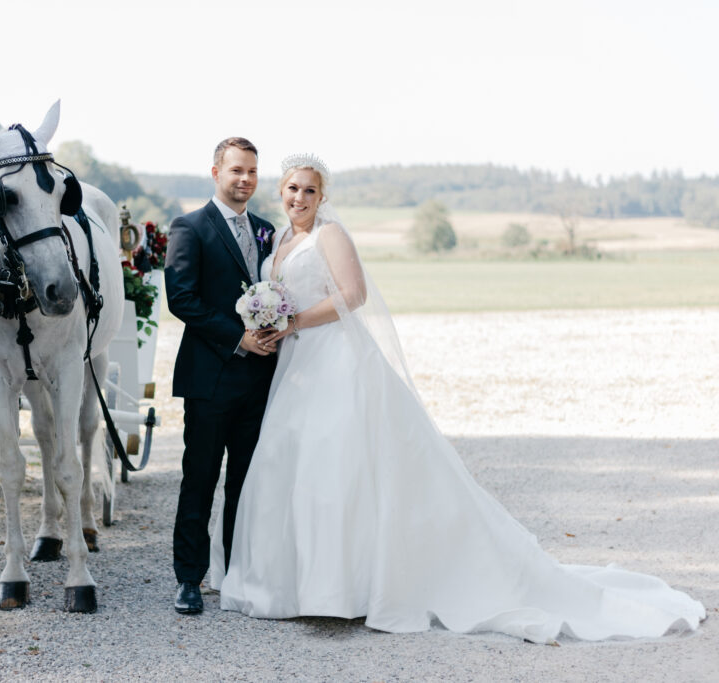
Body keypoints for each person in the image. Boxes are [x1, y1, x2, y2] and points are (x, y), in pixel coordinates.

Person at [214, 153, 705, 643]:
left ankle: (347, 589)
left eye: (310, 191)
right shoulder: (280, 238)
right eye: (293, 189)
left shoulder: (330, 235)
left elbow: (353, 295)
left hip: (335, 361)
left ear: (323, 197)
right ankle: (302, 585)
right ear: (281, 190)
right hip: (297, 366)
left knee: (338, 463)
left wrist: (292, 320)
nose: (300, 198)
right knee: (296, 463)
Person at [165, 138, 278, 614]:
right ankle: (190, 580)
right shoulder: (189, 227)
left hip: (262, 380)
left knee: (247, 483)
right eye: (236, 170)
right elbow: (182, 299)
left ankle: (235, 574)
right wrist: (239, 337)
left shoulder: (268, 230)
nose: (244, 179)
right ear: (216, 173)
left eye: (251, 171)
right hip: (211, 379)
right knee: (201, 479)